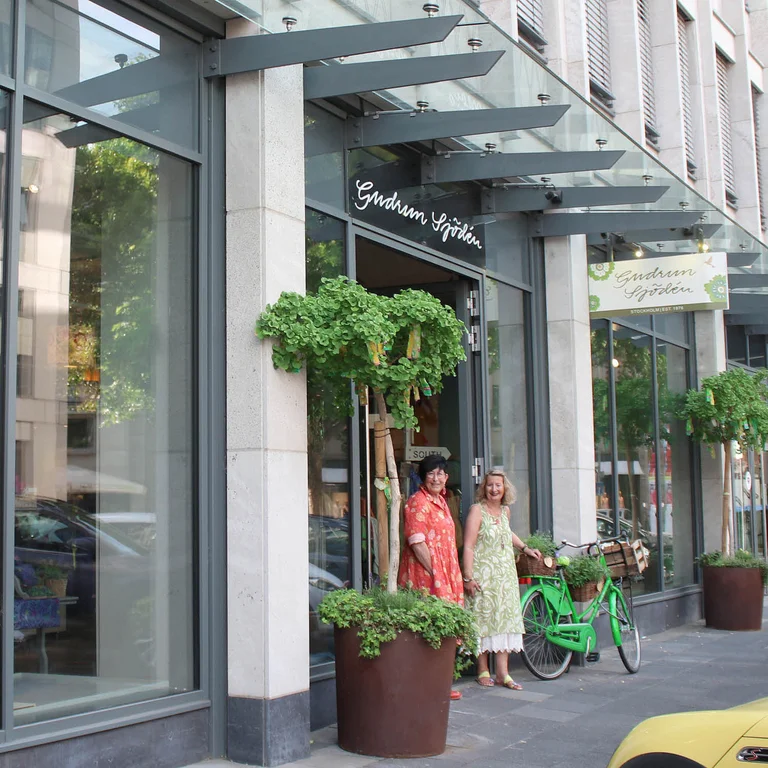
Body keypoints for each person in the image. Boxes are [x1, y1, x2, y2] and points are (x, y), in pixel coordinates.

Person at [462, 470, 541, 690]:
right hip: (483, 573)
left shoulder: (505, 511)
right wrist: (468, 576)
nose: (494, 489)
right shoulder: (477, 511)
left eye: (498, 485)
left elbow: (508, 532)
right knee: (483, 618)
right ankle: (483, 669)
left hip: (505, 575)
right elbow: (468, 545)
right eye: (490, 485)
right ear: (483, 488)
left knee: (505, 620)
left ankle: (503, 674)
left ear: (505, 488)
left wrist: (525, 548)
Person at [398, 453, 464, 699]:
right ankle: (430, 686)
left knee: (443, 626)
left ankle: (440, 684)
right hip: (425, 574)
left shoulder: (442, 501)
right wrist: (435, 573)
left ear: (446, 477)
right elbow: (417, 541)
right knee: (431, 627)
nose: (436, 478)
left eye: (440, 473)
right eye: (431, 473)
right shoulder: (419, 501)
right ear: (423, 477)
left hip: (444, 570)